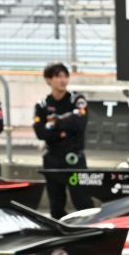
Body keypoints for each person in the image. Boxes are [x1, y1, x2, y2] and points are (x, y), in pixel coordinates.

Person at [33, 62, 92, 219]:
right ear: (48, 80)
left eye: (65, 76)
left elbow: (79, 124)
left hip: (74, 159)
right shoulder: (42, 105)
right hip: (52, 159)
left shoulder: (77, 100)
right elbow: (40, 132)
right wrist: (63, 131)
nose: (63, 80)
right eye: (58, 76)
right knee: (56, 204)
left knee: (83, 201)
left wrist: (55, 123)